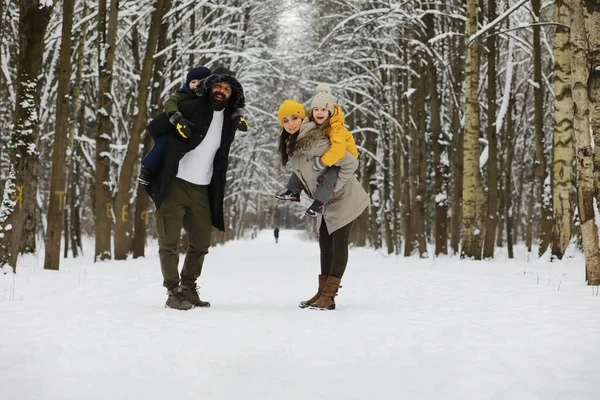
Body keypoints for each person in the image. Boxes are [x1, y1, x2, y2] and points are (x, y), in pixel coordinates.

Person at [145, 66, 246, 310]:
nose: (221, 91)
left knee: (201, 242)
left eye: (227, 88)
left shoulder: (229, 121)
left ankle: (188, 287)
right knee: (168, 241)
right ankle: (172, 291)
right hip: (175, 184)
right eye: (218, 86)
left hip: (202, 188)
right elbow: (155, 128)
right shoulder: (189, 106)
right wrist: (174, 130)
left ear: (231, 94)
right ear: (209, 86)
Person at [277, 99, 369, 310]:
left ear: (303, 117)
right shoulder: (296, 142)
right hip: (326, 202)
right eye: (285, 120)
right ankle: (321, 293)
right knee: (325, 246)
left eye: (295, 118)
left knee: (338, 244)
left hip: (345, 198)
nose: (291, 123)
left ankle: (328, 296)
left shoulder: (317, 140)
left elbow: (351, 163)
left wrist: (334, 188)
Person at [139, 66, 248, 186]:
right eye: (193, 82)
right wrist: (176, 120)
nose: (196, 85)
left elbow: (234, 107)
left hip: (202, 181)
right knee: (163, 143)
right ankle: (147, 169)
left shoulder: (221, 112)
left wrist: (238, 117)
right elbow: (165, 112)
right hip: (177, 168)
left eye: (200, 82)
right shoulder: (184, 97)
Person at [276, 84, 358, 218]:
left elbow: (339, 149)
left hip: (341, 155)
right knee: (300, 165)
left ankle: (319, 202)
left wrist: (323, 162)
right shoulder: (315, 125)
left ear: (330, 112)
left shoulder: (335, 127)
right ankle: (293, 191)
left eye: (323, 110)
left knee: (330, 175)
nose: (319, 113)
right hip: (332, 154)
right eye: (316, 109)